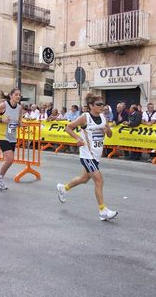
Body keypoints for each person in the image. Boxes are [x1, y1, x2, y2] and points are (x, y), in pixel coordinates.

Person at [56, 93, 117, 221]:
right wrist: (78, 138)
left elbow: (110, 135)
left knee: (83, 179)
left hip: (96, 155)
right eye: (98, 104)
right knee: (99, 181)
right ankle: (103, 211)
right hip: (86, 154)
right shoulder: (85, 117)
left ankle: (63, 188)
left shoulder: (103, 117)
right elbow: (68, 128)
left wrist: (108, 131)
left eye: (102, 104)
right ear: (90, 106)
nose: (102, 106)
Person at [0, 88, 22, 190]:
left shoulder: (20, 108)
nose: (18, 96)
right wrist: (2, 120)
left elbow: (19, 121)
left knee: (9, 160)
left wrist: (22, 124)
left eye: (19, 95)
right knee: (10, 159)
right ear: (11, 95)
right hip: (2, 135)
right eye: (16, 94)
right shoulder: (4, 105)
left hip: (12, 135)